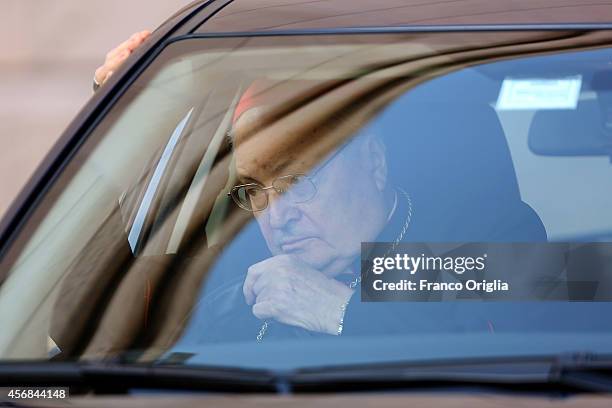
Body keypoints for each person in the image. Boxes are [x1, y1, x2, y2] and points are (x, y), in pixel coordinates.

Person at [95, 33, 555, 345]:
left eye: (297, 180)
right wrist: (118, 122)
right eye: (255, 190)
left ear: (374, 163)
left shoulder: (492, 231)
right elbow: (90, 323)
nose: (277, 215)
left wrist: (342, 311)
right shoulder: (238, 262)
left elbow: (559, 312)